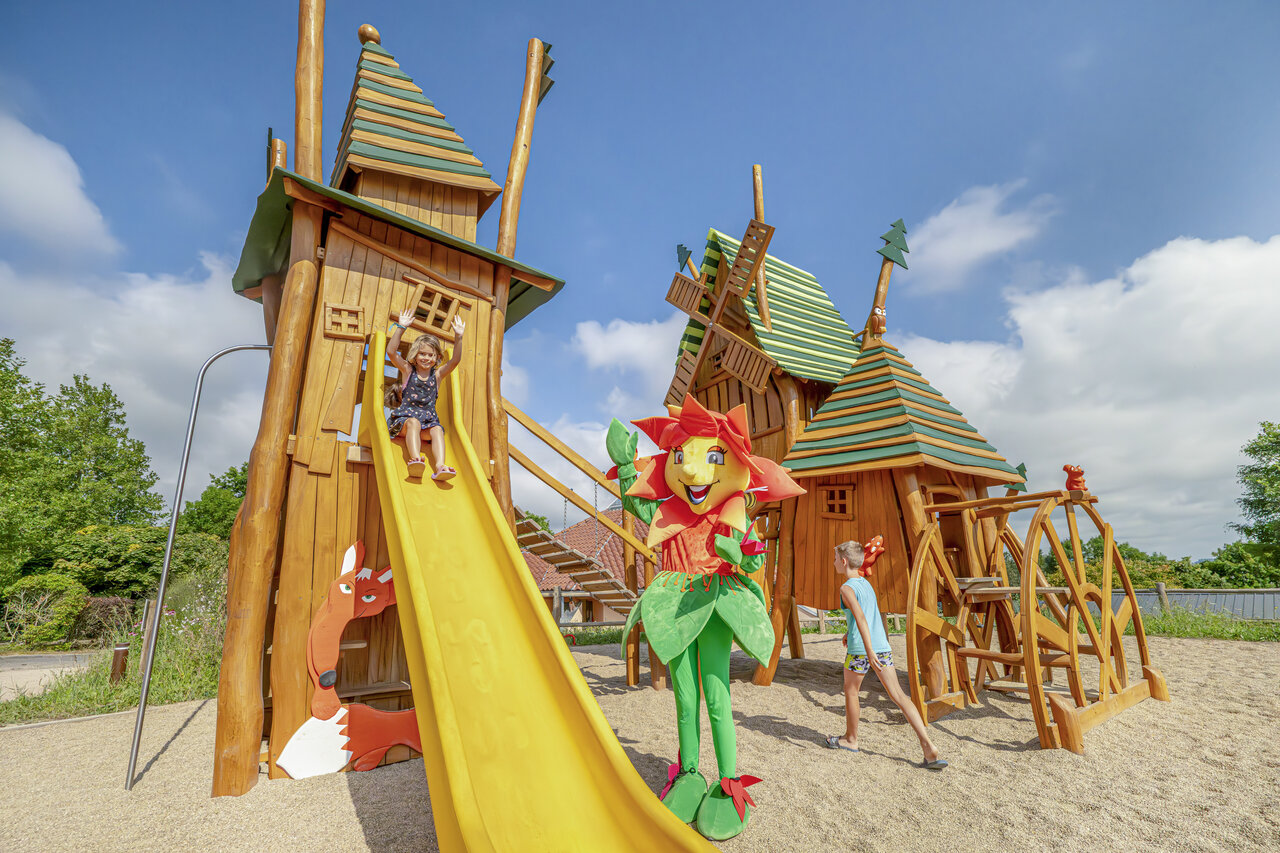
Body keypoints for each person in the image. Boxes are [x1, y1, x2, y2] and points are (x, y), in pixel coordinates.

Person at [826, 539, 947, 770]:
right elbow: (868, 616)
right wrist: (849, 632)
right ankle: (929, 747)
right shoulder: (866, 585)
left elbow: (862, 618)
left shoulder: (846, 588)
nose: (834, 563)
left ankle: (850, 740)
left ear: (844, 561)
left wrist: (867, 650)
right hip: (882, 647)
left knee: (851, 692)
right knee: (899, 695)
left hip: (862, 650)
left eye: (835, 559)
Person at [385, 309, 464, 480]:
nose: (426, 358)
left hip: (426, 425)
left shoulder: (438, 375)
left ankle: (440, 466)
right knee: (413, 422)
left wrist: (459, 337)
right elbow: (391, 352)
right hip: (404, 424)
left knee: (437, 429)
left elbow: (455, 361)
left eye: (431, 355)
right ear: (415, 354)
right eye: (422, 354)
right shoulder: (408, 370)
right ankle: (415, 459)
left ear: (437, 357)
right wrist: (401, 328)